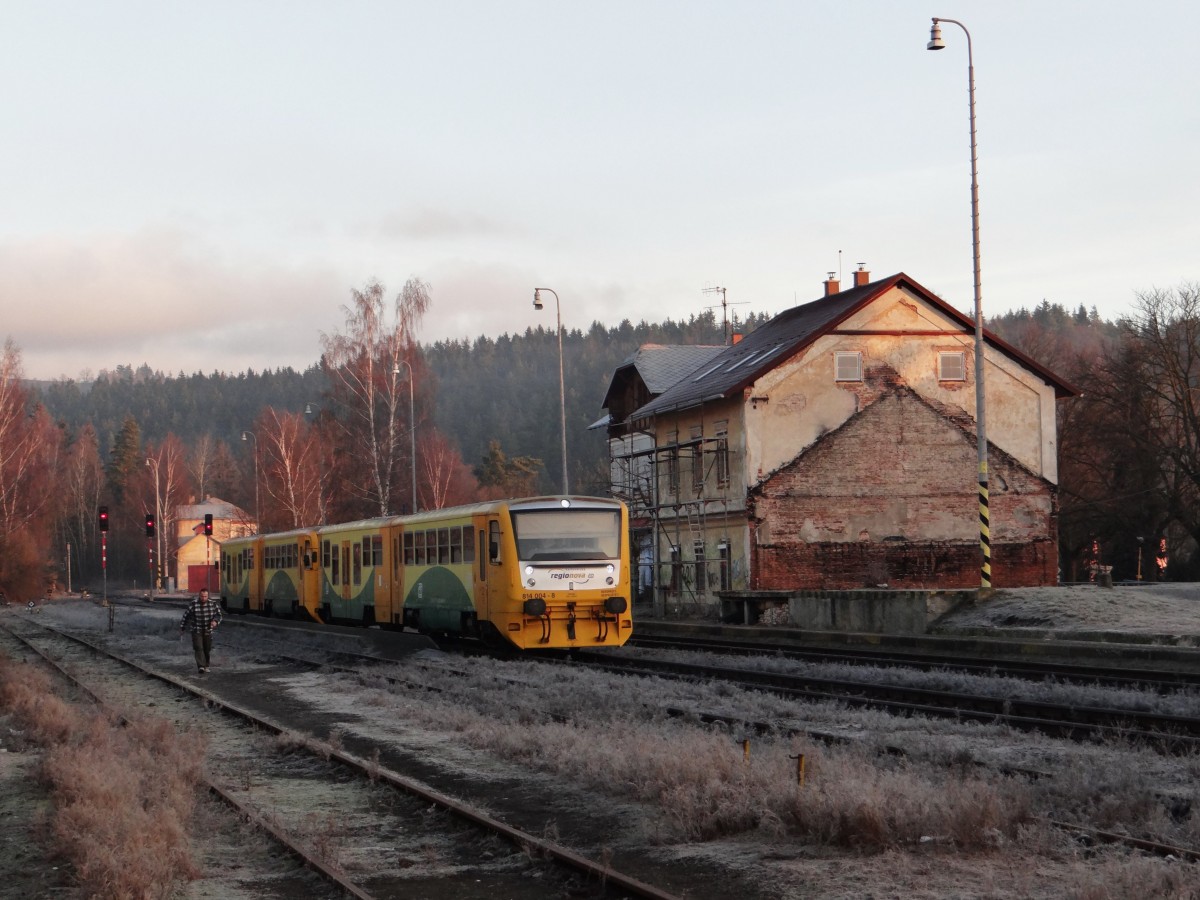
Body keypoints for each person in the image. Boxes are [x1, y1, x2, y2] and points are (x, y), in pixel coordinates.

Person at [180, 588, 222, 674]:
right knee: (198, 647)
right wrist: (182, 627)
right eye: (202, 596)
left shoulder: (213, 604)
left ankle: (206, 665)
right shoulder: (193, 604)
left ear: (208, 596)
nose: (203, 598)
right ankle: (200, 666)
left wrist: (215, 621)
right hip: (196, 629)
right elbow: (186, 616)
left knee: (207, 648)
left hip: (208, 630)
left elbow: (219, 615)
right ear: (199, 596)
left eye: (205, 596)